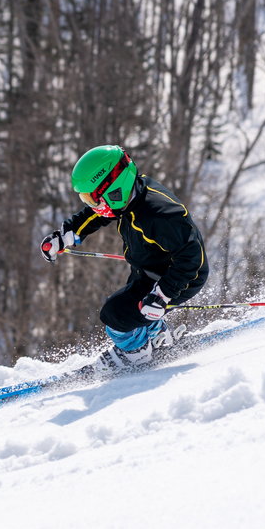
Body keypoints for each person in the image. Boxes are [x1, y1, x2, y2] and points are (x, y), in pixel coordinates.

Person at [40, 145, 208, 372]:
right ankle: (157, 337)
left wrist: (161, 295)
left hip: (178, 277)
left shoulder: (160, 214)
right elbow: (96, 214)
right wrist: (66, 235)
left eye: (93, 199)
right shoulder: (130, 196)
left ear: (114, 188)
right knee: (133, 308)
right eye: (87, 199)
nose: (92, 206)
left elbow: (191, 258)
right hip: (149, 268)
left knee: (115, 316)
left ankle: (137, 355)